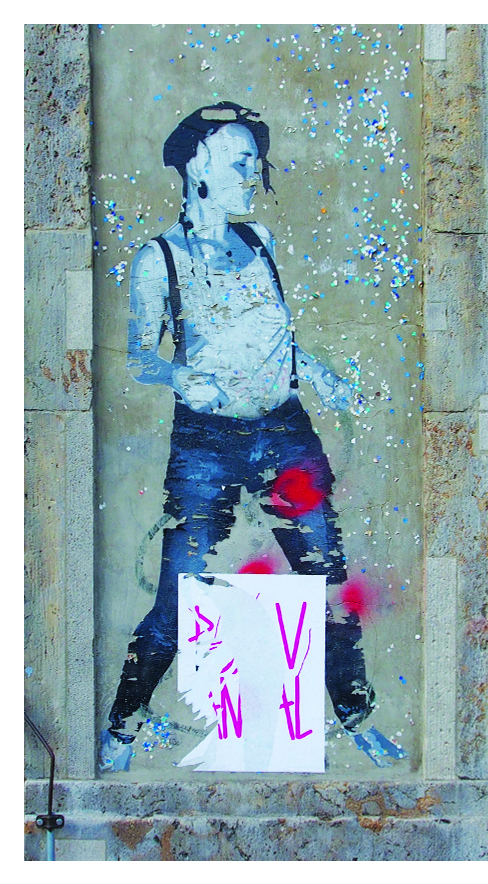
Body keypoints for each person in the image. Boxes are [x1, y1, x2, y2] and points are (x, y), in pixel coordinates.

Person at [102, 102, 378, 762]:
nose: (253, 174)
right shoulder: (158, 259)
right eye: (240, 161)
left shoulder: (260, 241)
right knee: (179, 595)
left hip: (285, 434)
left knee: (326, 581)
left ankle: (357, 716)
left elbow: (273, 339)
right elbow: (139, 357)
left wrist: (318, 374)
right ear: (197, 162)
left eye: (256, 162)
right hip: (207, 444)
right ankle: (122, 725)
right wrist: (178, 377)